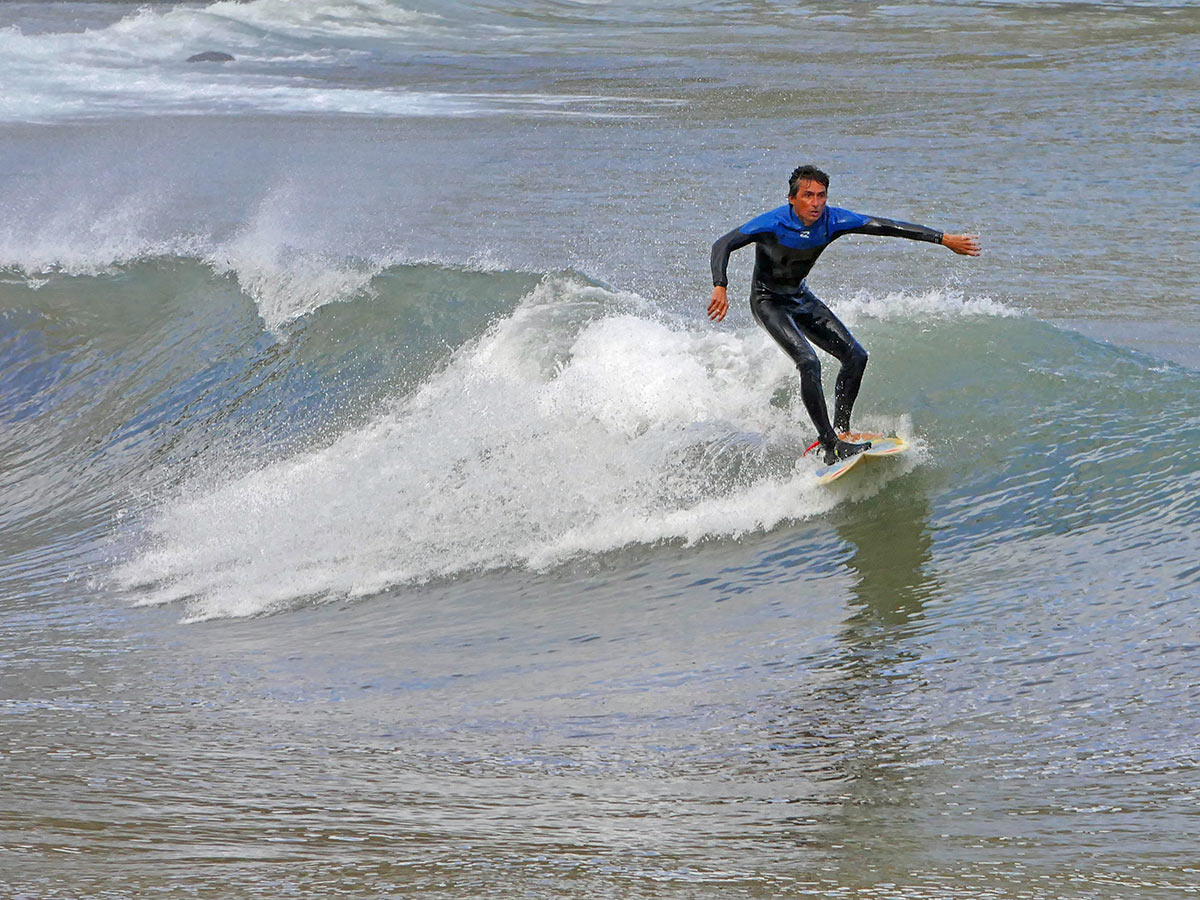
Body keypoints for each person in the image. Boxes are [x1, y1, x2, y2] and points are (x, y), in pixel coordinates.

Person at [709, 165, 980, 465]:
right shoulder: (772, 223)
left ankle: (841, 430)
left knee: (855, 356)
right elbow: (723, 244)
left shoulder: (833, 220)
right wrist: (720, 286)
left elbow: (886, 226)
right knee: (808, 361)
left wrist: (943, 239)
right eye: (808, 196)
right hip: (767, 301)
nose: (816, 203)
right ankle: (829, 444)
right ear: (791, 199)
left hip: (799, 297)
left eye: (821, 196)